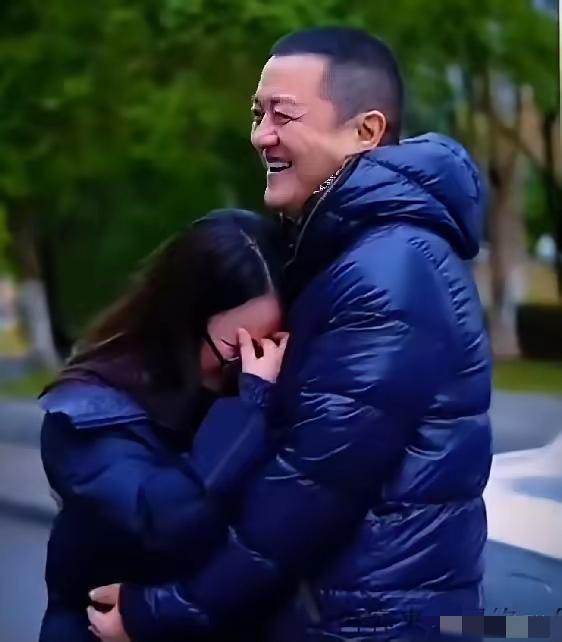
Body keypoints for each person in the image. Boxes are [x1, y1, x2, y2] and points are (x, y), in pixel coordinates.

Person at [90, 27, 492, 642]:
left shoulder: (388, 270)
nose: (261, 135)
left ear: (366, 131)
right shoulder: (358, 252)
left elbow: (309, 490)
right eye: (258, 114)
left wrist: (161, 612)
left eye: (283, 114)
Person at [39, 209, 289, 642]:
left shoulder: (252, 390)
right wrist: (250, 408)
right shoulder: (90, 413)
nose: (254, 363)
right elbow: (166, 527)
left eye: (269, 345)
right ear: (181, 322)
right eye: (237, 348)